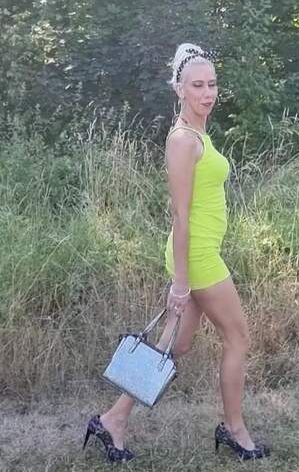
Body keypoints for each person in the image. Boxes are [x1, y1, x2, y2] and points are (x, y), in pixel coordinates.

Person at [84, 43, 270, 462]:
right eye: (197, 85)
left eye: (212, 84)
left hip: (198, 253)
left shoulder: (199, 133)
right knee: (238, 338)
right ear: (179, 89)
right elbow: (180, 213)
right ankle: (234, 430)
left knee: (176, 345)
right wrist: (181, 283)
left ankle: (112, 419)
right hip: (197, 257)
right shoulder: (183, 140)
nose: (208, 93)